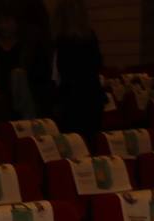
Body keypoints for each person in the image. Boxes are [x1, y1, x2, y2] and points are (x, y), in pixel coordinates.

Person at [52, 0, 104, 138]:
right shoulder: (90, 36)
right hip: (92, 98)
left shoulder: (62, 40)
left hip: (71, 101)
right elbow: (98, 64)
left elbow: (58, 73)